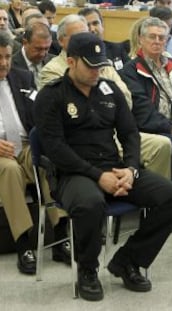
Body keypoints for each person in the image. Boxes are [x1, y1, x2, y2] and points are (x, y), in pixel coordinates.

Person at [34, 32, 172, 301]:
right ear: (71, 61)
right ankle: (88, 270)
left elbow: (129, 134)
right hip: (73, 174)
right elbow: (55, 148)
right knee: (90, 204)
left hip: (114, 167)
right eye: (90, 65)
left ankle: (129, 260)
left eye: (100, 65)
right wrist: (97, 175)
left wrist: (130, 169)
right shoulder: (52, 96)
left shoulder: (109, 90)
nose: (97, 71)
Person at [39, 14, 172, 180]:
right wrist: (103, 99)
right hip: (80, 140)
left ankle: (145, 197)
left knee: (162, 146)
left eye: (87, 34)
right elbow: (75, 106)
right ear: (61, 41)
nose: (85, 40)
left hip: (113, 130)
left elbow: (126, 98)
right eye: (78, 37)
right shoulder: (52, 70)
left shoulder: (102, 63)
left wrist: (131, 169)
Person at [0, 31, 68, 275]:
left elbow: (38, 116)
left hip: (25, 144)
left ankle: (61, 236)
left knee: (47, 161)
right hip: (0, 155)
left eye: (7, 57)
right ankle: (23, 244)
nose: (4, 63)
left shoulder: (23, 77)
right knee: (9, 170)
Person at [120, 17, 172, 231]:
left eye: (161, 38)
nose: (157, 41)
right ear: (140, 39)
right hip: (153, 128)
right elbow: (142, 111)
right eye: (151, 37)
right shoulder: (130, 71)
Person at [78, 7, 130, 71]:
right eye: (87, 25)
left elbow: (131, 75)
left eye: (95, 23)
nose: (92, 29)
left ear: (102, 26)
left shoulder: (117, 49)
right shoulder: (77, 54)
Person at [12, 22, 54, 88]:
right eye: (38, 49)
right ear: (25, 43)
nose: (42, 54)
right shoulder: (11, 66)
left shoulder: (54, 62)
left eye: (46, 48)